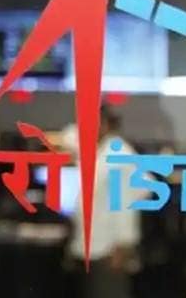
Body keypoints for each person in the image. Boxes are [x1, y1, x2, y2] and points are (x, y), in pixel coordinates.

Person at [69, 106, 142, 298]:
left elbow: (125, 204)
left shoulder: (119, 157)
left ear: (105, 124)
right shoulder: (100, 153)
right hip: (92, 248)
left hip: (109, 251)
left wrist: (123, 246)